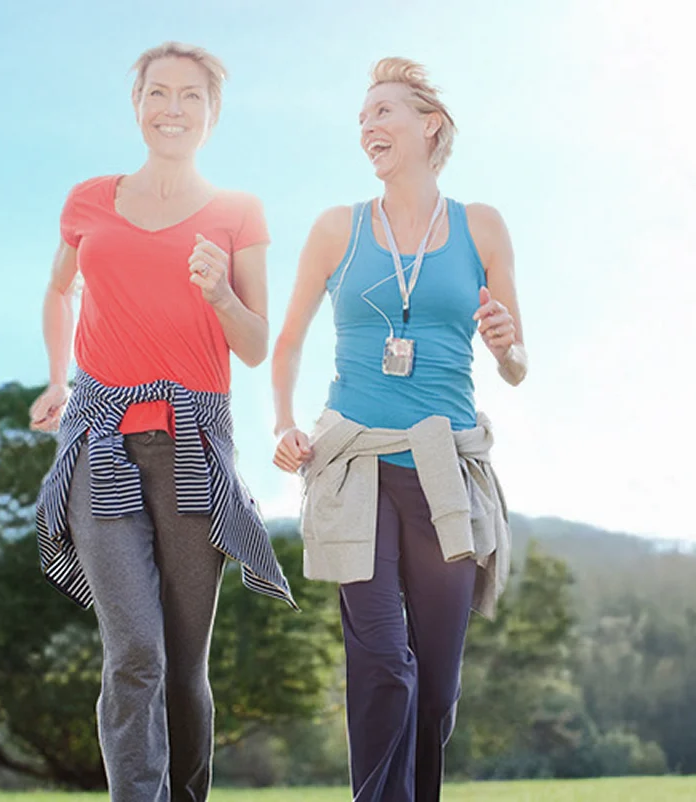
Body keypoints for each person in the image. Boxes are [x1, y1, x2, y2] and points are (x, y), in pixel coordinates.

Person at [30, 42, 294, 802]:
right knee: (135, 650)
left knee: (182, 663)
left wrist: (220, 294)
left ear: (213, 116)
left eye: (190, 98)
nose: (171, 109)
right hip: (100, 440)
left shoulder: (239, 212)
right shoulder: (88, 200)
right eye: (157, 94)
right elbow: (59, 290)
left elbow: (252, 346)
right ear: (136, 103)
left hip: (192, 445)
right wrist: (57, 377)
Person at [270, 57, 526, 801]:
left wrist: (508, 344)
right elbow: (286, 342)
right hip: (353, 465)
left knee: (436, 686)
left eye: (383, 112)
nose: (368, 127)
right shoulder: (336, 228)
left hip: (445, 466)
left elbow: (516, 365)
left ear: (429, 125)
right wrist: (285, 423)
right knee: (384, 662)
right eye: (362, 118)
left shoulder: (480, 226)